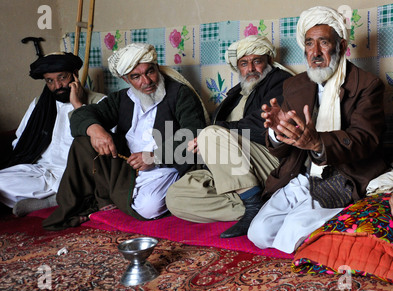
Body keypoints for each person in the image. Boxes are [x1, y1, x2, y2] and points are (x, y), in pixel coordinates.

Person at [247, 6, 389, 254]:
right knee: (259, 233)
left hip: (343, 176)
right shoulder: (295, 84)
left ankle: (343, 218)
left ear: (342, 47)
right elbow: (282, 151)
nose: (315, 52)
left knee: (290, 233)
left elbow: (365, 139)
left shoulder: (367, 85)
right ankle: (320, 221)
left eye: (324, 42)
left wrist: (317, 144)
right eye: (309, 43)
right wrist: (277, 130)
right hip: (302, 176)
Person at [42, 42, 207, 230]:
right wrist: (95, 129)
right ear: (126, 79)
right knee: (84, 141)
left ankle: (105, 197)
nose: (146, 81)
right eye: (136, 76)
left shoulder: (180, 95)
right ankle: (101, 197)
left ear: (157, 68)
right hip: (127, 164)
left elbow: (194, 135)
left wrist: (154, 157)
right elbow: (83, 116)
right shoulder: (121, 98)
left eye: (150, 72)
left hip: (165, 166)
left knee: (148, 208)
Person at [166, 35, 294, 238]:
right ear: (238, 68)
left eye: (257, 61)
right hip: (235, 170)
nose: (250, 68)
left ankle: (252, 205)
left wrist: (215, 134)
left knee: (210, 133)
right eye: (244, 63)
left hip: (267, 159)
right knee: (175, 197)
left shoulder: (281, 82)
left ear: (268, 62)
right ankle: (264, 206)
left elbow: (266, 124)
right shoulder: (237, 94)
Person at [0, 52, 105, 216]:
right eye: (50, 81)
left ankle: (59, 198)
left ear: (75, 75)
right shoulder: (40, 104)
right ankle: (56, 199)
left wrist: (78, 106)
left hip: (75, 174)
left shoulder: (98, 102)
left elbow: (103, 147)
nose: (57, 86)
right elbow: (21, 140)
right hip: (41, 171)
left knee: (91, 184)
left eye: (62, 78)